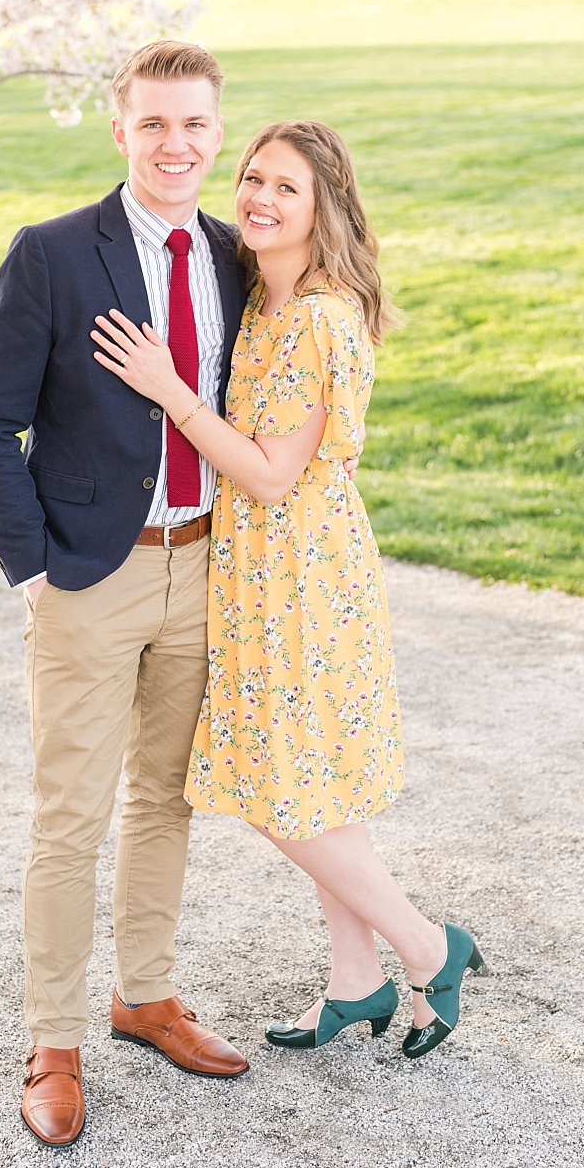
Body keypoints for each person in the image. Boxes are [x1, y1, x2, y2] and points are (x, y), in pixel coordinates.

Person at [89, 118, 485, 1065]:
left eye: (287, 189)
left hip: (304, 575)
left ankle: (432, 950)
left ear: (325, 210)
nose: (260, 199)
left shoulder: (319, 319)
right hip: (257, 571)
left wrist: (169, 388)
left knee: (281, 790)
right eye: (254, 179)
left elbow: (270, 474)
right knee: (311, 785)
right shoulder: (264, 302)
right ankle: (357, 980)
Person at [0, 40, 251, 1150]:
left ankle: (145, 996)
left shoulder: (232, 255)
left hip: (201, 563)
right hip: (88, 571)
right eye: (152, 126)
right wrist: (30, 567)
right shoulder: (48, 256)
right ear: (118, 131)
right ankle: (51, 1040)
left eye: (194, 126)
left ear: (214, 132)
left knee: (164, 798)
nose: (174, 146)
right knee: (68, 814)